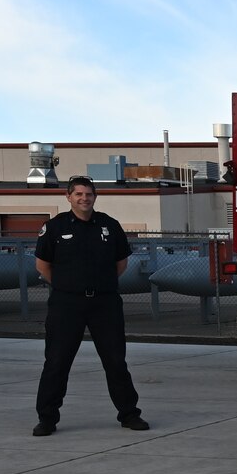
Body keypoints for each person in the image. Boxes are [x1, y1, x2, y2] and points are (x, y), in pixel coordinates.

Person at [32, 176, 147, 436]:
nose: (84, 198)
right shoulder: (54, 227)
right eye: (79, 194)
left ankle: (129, 414)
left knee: (116, 361)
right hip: (66, 303)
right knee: (57, 361)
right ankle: (47, 418)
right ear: (68, 197)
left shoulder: (109, 226)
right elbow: (42, 266)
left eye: (89, 194)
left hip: (104, 303)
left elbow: (121, 264)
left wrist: (98, 286)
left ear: (95, 196)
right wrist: (68, 286)